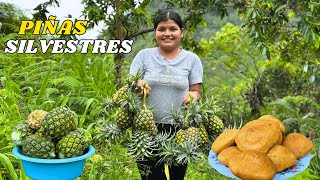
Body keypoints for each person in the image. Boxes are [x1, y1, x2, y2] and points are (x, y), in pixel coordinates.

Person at [129, 10, 203, 180]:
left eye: (173, 29)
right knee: (152, 178)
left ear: (181, 32)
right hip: (145, 128)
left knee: (177, 177)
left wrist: (193, 96)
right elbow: (131, 84)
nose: (167, 33)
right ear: (155, 32)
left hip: (180, 130)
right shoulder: (144, 56)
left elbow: (196, 91)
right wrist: (138, 84)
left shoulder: (192, 59)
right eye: (162, 29)